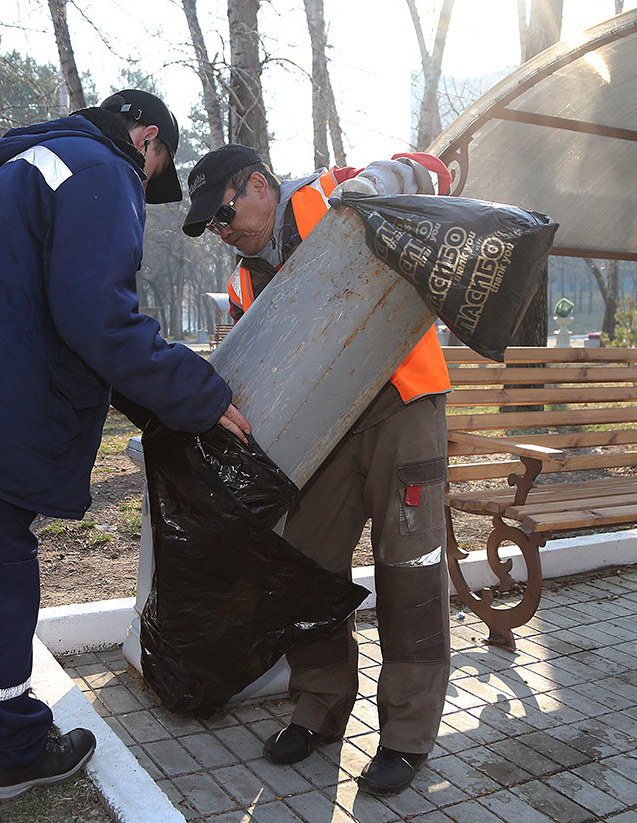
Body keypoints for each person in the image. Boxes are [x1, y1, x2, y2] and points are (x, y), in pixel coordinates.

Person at [0, 90, 250, 804]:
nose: (146, 181)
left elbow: (66, 315)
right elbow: (98, 316)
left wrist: (159, 401)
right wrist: (203, 397)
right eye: (155, 166)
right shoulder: (103, 170)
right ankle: (16, 748)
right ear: (147, 138)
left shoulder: (32, 166)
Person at [182, 144, 452, 795]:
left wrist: (373, 191)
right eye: (211, 228)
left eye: (223, 215)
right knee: (304, 563)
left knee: (410, 569)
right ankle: (321, 707)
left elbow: (433, 169)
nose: (222, 234)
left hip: (401, 404)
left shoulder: (332, 195)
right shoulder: (248, 281)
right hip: (324, 429)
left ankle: (407, 734)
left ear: (257, 185)